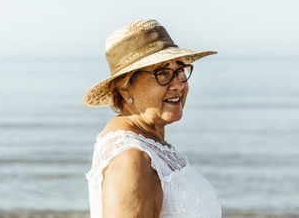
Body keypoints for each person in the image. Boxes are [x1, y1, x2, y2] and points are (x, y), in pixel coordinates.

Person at [84, 19, 222, 218]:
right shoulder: (131, 160)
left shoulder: (148, 143)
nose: (178, 85)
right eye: (163, 73)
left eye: (181, 70)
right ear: (125, 89)